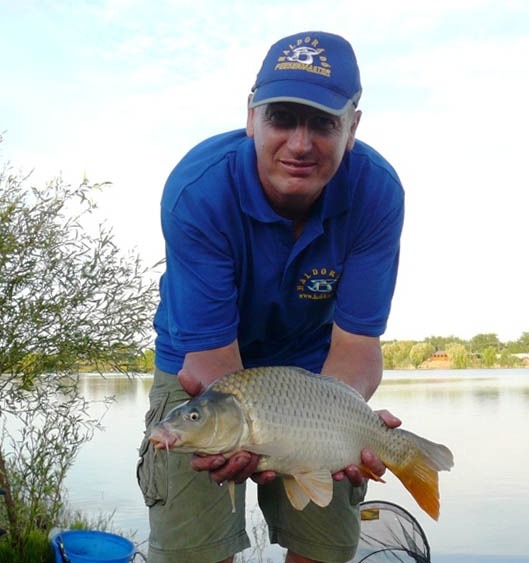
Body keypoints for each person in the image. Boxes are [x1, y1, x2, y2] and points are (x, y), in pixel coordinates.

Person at [137, 30, 405, 563]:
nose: (300, 144)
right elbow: (213, 363)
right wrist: (247, 439)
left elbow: (355, 350)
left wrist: (345, 422)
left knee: (324, 550)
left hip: (313, 377)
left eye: (324, 123)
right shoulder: (200, 191)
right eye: (282, 118)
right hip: (202, 362)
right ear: (251, 118)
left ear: (353, 127)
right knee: (195, 553)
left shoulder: (377, 193)